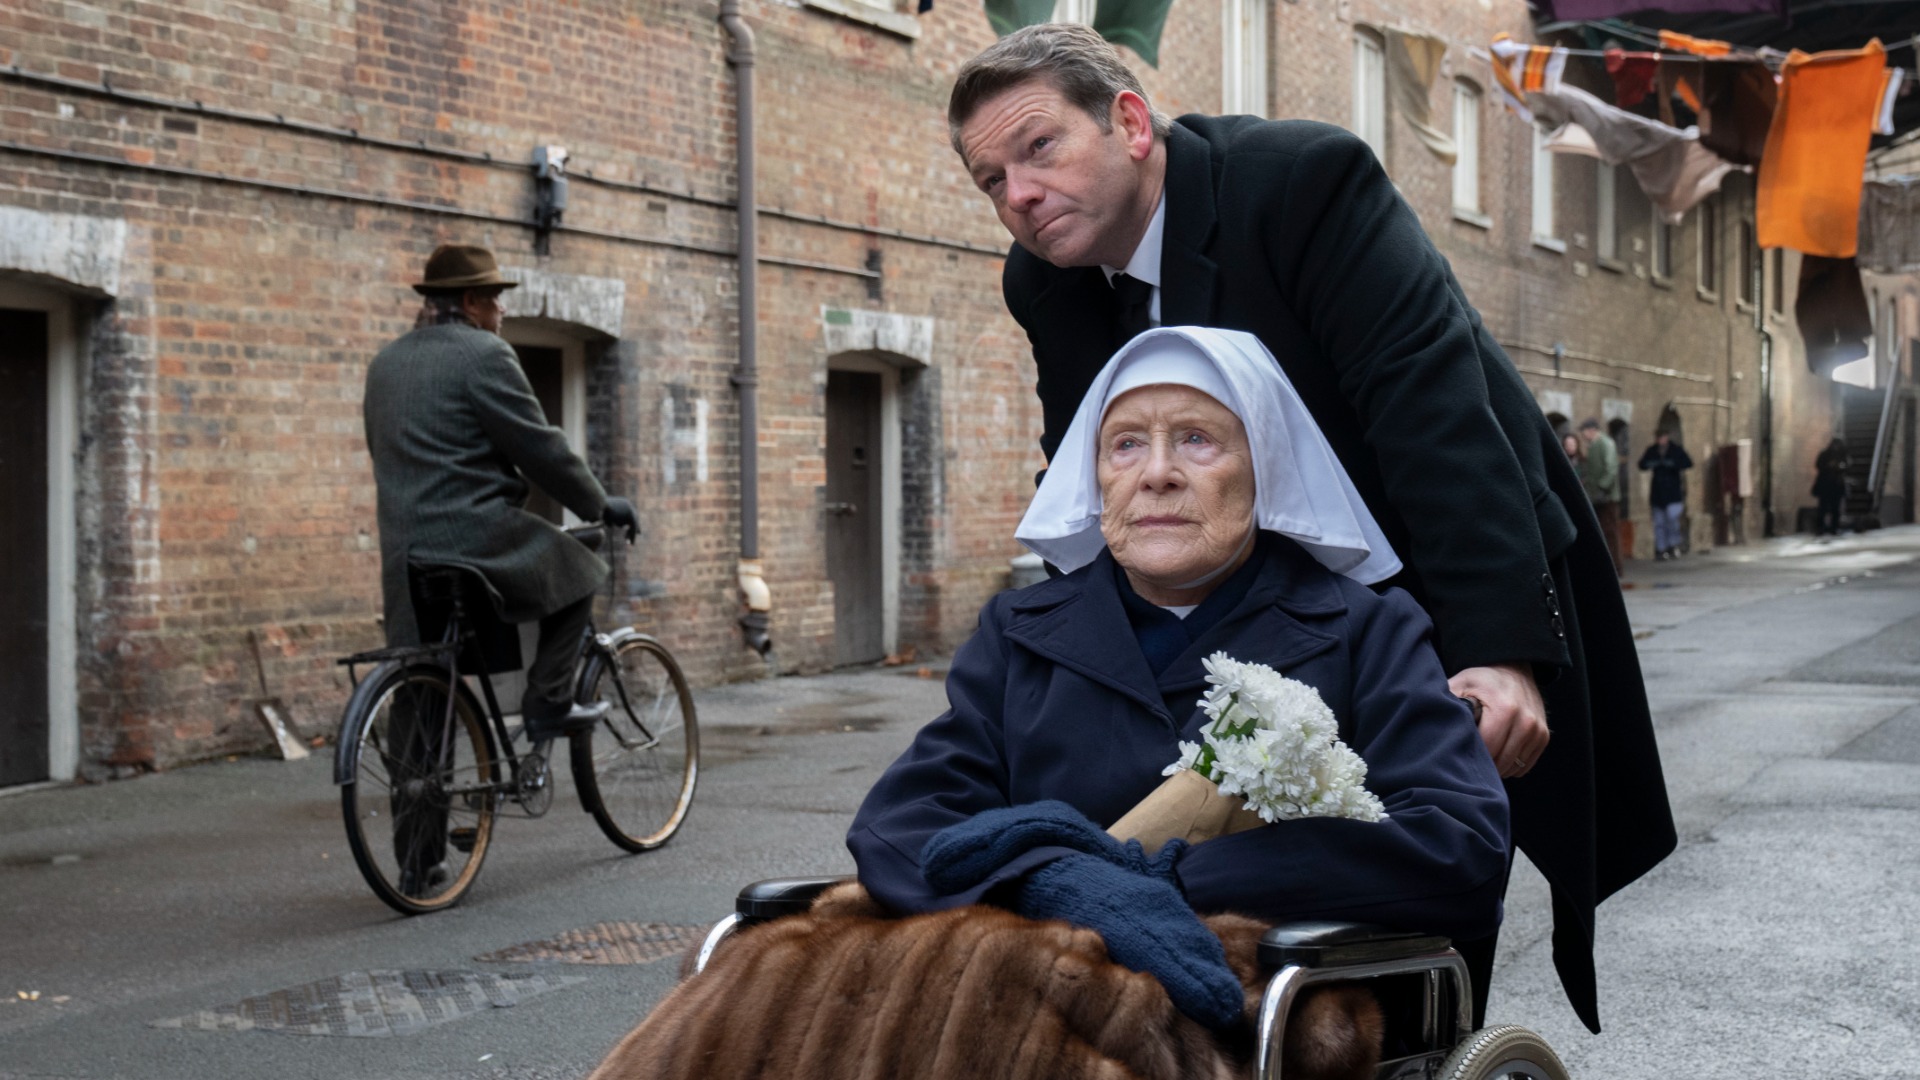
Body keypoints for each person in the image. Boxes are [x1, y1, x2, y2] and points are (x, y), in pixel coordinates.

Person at [948, 23, 1671, 1031]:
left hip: (1430, 576)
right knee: (1179, 913)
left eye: (1039, 149)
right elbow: (1090, 483)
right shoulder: (1046, 284)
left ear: (1129, 121)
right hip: (1250, 621)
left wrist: (1500, 656)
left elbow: (1433, 419)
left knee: (1397, 922)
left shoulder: (1300, 184)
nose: (1018, 195)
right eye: (991, 180)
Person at [364, 244, 639, 891]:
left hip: (407, 555)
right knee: (582, 568)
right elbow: (539, 447)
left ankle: (419, 862)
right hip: (474, 539)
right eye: (492, 298)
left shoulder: (385, 364)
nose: (501, 311)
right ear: (465, 303)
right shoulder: (484, 356)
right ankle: (547, 704)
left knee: (423, 685)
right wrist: (600, 503)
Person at [1638, 431, 1694, 560]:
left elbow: (1688, 463)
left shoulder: (1676, 450)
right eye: (1659, 438)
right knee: (1659, 523)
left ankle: (1673, 546)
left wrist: (1673, 464)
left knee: (1672, 521)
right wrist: (1652, 464)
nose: (1661, 440)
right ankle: (1661, 548)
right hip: (1658, 493)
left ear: (1667, 438)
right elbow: (1642, 464)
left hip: (1673, 492)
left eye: (1662, 437)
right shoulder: (1652, 450)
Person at [1578, 419, 1623, 575]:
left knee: (1610, 532)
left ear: (1591, 430)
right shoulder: (1594, 446)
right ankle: (1608, 566)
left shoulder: (1605, 443)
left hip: (1607, 497)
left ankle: (1616, 567)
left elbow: (1611, 468)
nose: (1583, 436)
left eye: (1584, 432)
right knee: (1604, 531)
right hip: (1597, 496)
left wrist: (1603, 487)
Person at [1814, 437, 1851, 536]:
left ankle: (1834, 528)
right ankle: (1820, 528)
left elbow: (1847, 465)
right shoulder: (1825, 454)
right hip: (1825, 485)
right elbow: (1818, 465)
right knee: (1823, 508)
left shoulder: (1842, 455)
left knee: (1835, 509)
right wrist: (1828, 466)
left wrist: (1839, 466)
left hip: (1837, 486)